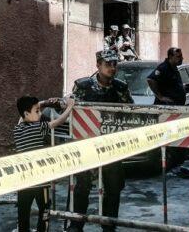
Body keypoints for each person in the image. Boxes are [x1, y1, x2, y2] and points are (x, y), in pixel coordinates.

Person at [69, 49, 133, 232]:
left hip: (112, 145)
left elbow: (130, 110)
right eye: (108, 64)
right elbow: (72, 110)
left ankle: (109, 226)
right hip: (86, 145)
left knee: (113, 187)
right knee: (82, 186)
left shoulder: (120, 87)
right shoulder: (83, 86)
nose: (112, 68)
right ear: (98, 65)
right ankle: (76, 225)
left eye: (114, 64)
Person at [13, 95, 75, 232]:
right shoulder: (39, 127)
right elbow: (58, 122)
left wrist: (43, 103)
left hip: (23, 180)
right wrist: (70, 106)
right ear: (26, 114)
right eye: (37, 111)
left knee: (23, 211)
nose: (40, 113)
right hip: (40, 180)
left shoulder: (17, 129)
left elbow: (22, 118)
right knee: (44, 210)